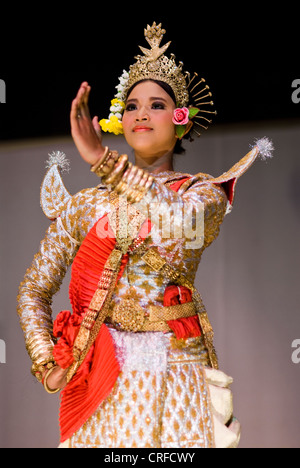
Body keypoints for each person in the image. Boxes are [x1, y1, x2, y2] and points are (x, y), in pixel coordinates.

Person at [17, 22, 273, 449]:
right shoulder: (86, 205)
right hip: (102, 374)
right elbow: (34, 288)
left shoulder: (202, 194)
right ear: (120, 118)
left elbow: (176, 221)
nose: (140, 113)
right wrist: (47, 361)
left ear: (181, 120)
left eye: (156, 104)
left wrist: (106, 163)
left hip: (177, 374)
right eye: (131, 104)